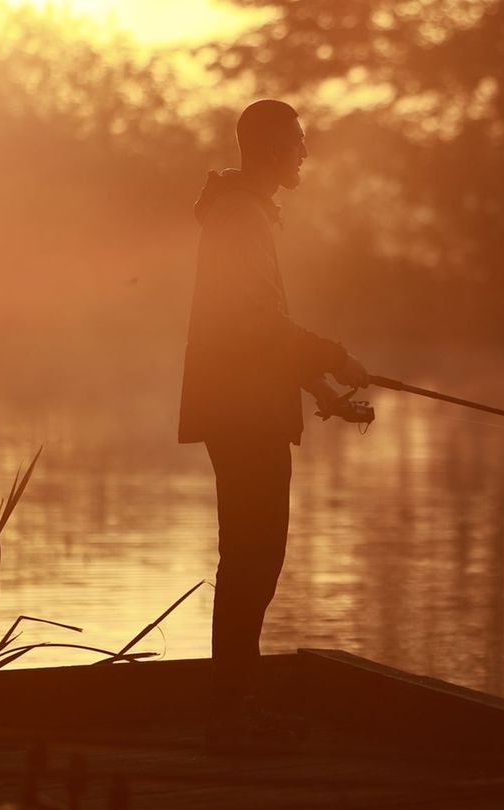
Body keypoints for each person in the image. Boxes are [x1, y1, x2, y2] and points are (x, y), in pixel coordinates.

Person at [179, 99, 369, 738]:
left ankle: (234, 699)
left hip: (249, 405)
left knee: (254, 556)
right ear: (266, 150)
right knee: (253, 557)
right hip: (243, 413)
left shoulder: (248, 212)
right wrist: (336, 357)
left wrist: (322, 387)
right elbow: (256, 325)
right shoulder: (240, 217)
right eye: (296, 142)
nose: (305, 153)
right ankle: (232, 708)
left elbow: (257, 333)